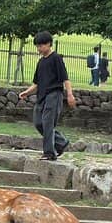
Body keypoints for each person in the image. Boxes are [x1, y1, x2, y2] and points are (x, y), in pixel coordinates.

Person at [18, 31, 76, 161]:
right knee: (38, 123)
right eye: (37, 46)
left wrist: (70, 95)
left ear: (49, 44)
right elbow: (36, 83)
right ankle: (61, 142)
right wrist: (27, 92)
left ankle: (49, 153)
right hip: (41, 96)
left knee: (48, 123)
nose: (39, 49)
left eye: (41, 46)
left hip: (54, 95)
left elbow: (65, 79)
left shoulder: (56, 58)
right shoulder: (41, 62)